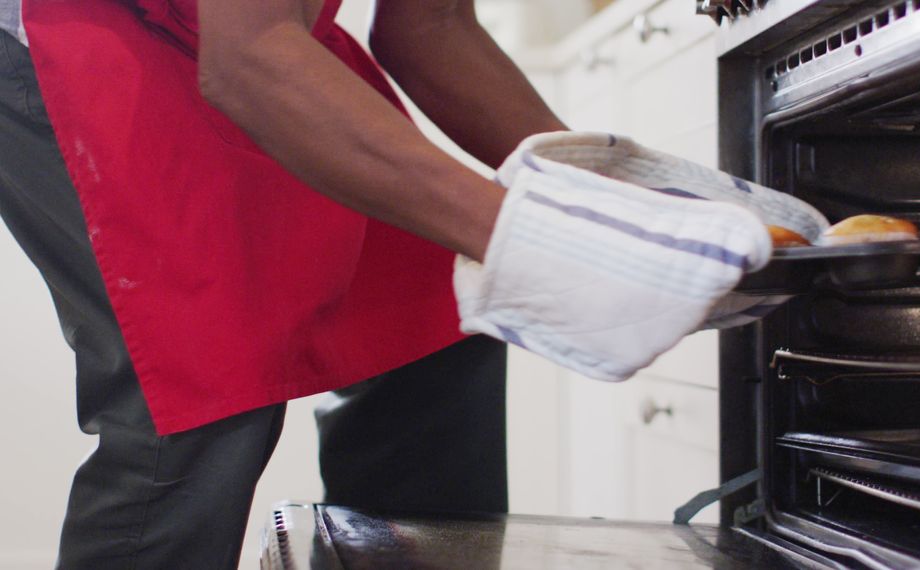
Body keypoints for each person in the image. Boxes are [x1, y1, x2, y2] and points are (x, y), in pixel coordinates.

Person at [0, 0, 824, 567]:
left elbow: (429, 27)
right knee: (197, 383)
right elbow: (248, 62)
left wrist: (623, 197)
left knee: (426, 325)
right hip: (68, 32)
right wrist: (551, 242)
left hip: (238, 30)